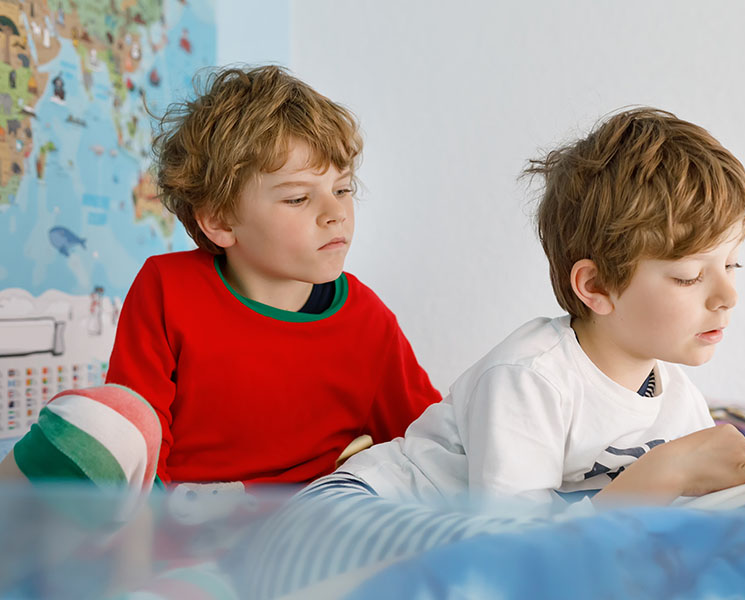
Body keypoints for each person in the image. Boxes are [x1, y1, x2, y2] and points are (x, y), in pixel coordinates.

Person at [236, 107, 745, 597]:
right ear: (597, 286)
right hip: (349, 523)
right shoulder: (532, 376)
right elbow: (511, 550)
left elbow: (687, 504)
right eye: (690, 277)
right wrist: (660, 474)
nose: (726, 296)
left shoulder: (675, 399)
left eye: (732, 265)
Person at [0, 65, 441, 492]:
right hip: (169, 528)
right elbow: (139, 441)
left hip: (299, 534)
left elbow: (431, 442)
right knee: (102, 419)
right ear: (219, 222)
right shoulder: (166, 288)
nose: (335, 213)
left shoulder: (368, 321)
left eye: (342, 189)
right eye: (298, 198)